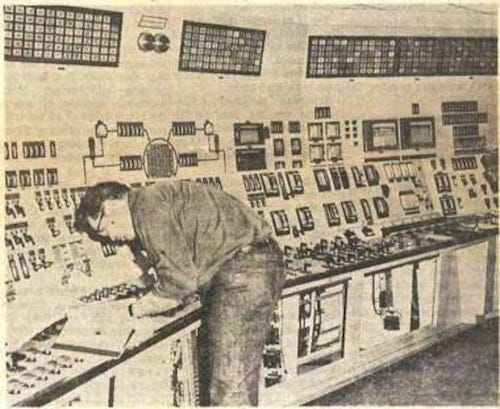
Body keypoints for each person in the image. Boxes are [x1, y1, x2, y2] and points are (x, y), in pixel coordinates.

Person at [74, 180, 286, 406]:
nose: (111, 238)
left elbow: (179, 283)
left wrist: (131, 310)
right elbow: (174, 264)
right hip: (252, 265)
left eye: (103, 229)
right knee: (230, 378)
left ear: (111, 206)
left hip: (243, 275)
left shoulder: (147, 207)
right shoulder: (153, 199)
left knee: (230, 386)